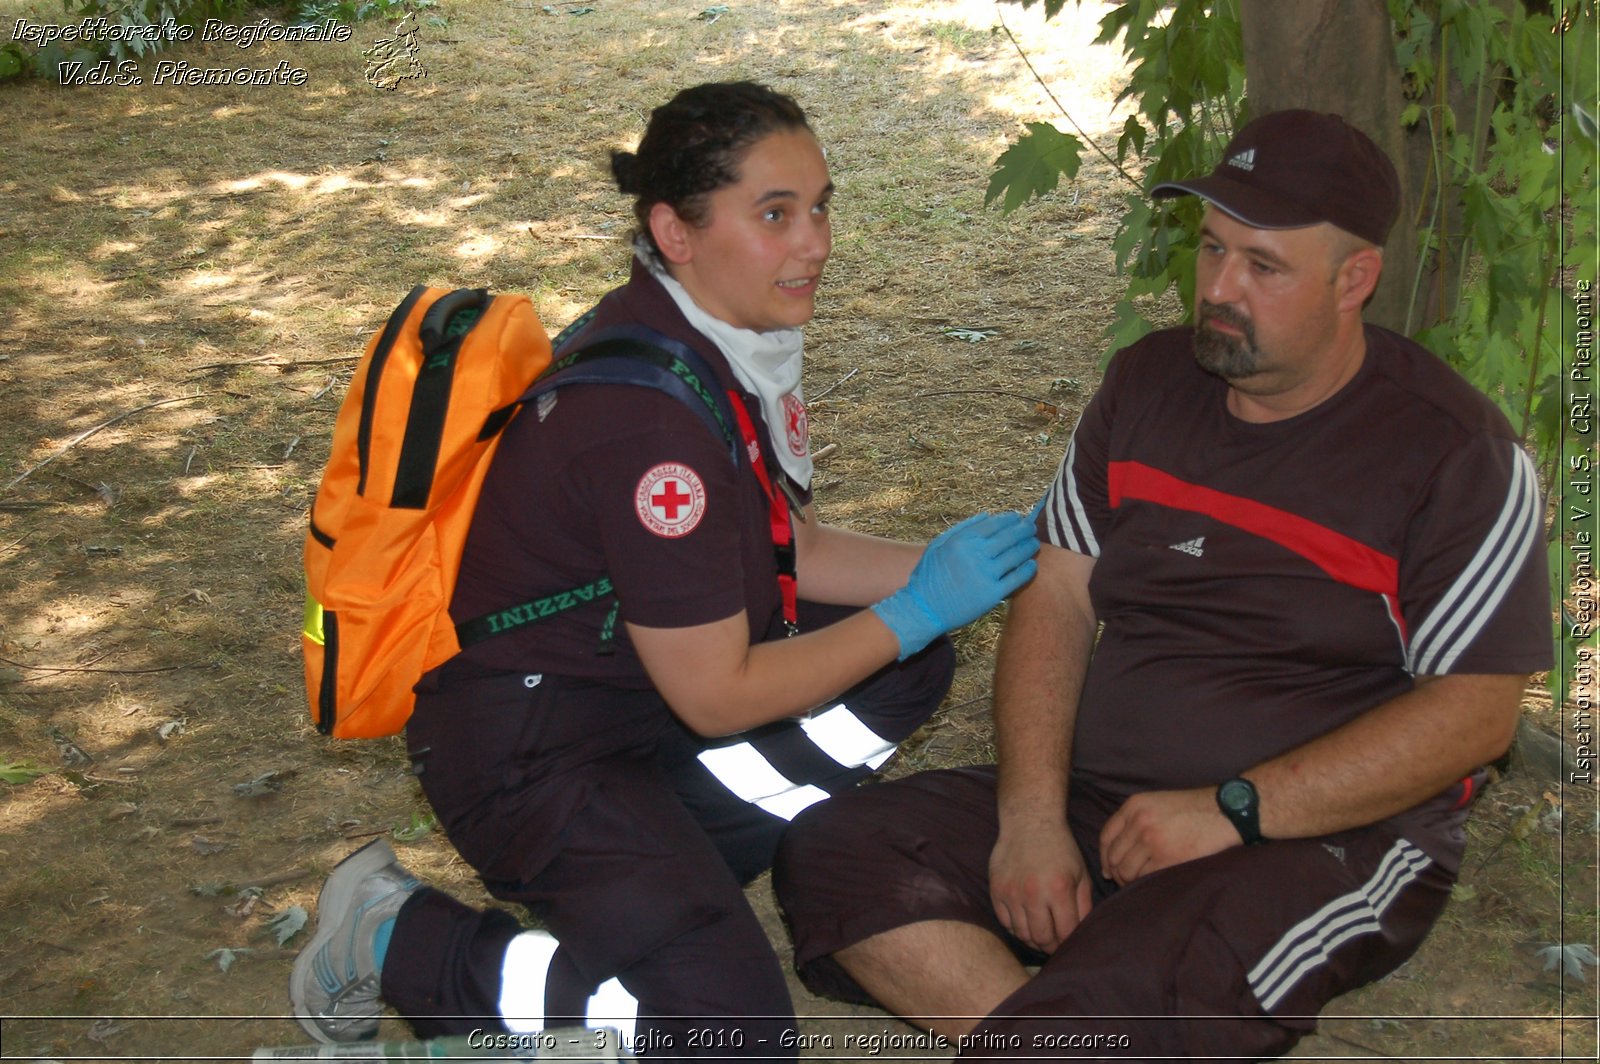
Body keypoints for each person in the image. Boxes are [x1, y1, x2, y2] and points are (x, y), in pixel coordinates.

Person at [772, 109, 1553, 1059]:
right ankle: (1077, 1028)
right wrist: (1029, 822)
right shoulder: (1146, 384)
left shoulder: (1453, 452)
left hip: (1317, 839)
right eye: (1213, 248)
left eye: (1263, 268)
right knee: (839, 849)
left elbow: (1477, 715)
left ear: (1355, 281)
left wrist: (1235, 808)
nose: (1219, 289)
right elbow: (1056, 594)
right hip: (1104, 800)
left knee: (1160, 977)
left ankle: (1087, 1019)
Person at [286, 81, 1039, 1057]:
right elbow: (718, 696)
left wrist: (976, 569)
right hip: (528, 749)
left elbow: (789, 549)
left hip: (619, 695)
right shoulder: (651, 423)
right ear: (674, 232)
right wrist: (919, 603)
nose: (813, 241)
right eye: (775, 214)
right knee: (733, 1034)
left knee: (909, 659)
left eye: (819, 205)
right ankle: (394, 935)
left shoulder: (712, 335)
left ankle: (664, 889)